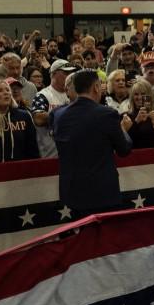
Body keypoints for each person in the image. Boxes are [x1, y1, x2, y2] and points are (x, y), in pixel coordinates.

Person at [51, 69, 133, 215]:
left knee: (81, 236)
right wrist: (123, 129)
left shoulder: (57, 114)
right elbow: (124, 149)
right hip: (101, 192)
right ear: (96, 87)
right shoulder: (107, 114)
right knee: (104, 236)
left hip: (71, 192)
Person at [30, 59, 78, 158]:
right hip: (51, 155)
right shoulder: (43, 95)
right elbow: (38, 119)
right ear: (53, 74)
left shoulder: (76, 94)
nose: (70, 76)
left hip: (72, 154)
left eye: (71, 73)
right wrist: (68, 115)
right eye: (66, 73)